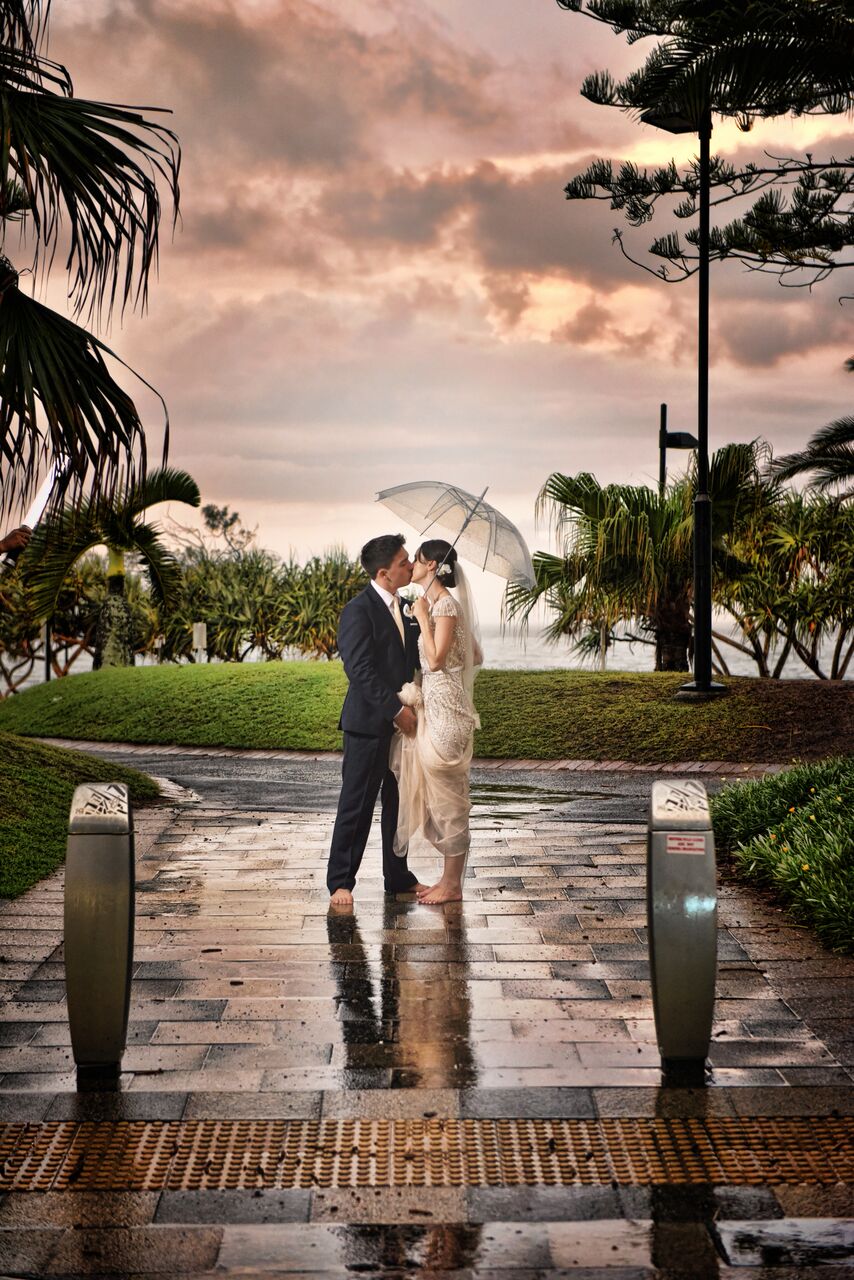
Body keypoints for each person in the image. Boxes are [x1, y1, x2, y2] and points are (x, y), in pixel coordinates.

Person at [326, 533, 426, 907]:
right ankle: (340, 881)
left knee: (397, 804)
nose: (410, 566)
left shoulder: (405, 606)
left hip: (402, 725)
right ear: (384, 573)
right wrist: (397, 711)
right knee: (357, 804)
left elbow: (413, 658)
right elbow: (360, 670)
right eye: (404, 563)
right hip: (368, 724)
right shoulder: (358, 610)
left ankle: (397, 877)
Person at [391, 539, 482, 904]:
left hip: (446, 714)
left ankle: (452, 884)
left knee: (449, 800)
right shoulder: (445, 606)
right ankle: (448, 880)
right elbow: (476, 654)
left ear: (430, 564)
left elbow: (437, 660)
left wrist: (425, 620)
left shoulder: (444, 606)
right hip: (440, 707)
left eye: (415, 558)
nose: (410, 563)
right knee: (440, 797)